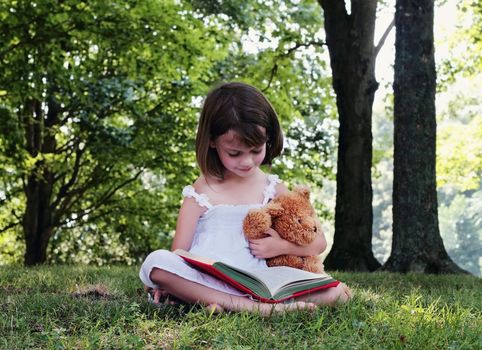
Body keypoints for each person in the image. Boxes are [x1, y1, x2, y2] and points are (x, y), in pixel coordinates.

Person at [139, 82, 351, 315]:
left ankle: (233, 305)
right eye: (235, 153)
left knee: (337, 292)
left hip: (259, 281)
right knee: (156, 263)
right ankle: (257, 309)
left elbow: (319, 242)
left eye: (256, 150)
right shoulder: (200, 190)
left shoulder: (273, 188)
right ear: (211, 141)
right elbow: (178, 252)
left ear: (268, 139)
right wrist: (164, 282)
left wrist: (280, 246)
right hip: (209, 281)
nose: (247, 161)